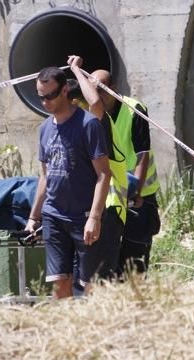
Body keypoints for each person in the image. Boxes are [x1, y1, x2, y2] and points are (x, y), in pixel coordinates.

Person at [25, 65, 111, 299]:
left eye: (50, 96)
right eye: (41, 97)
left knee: (88, 285)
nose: (45, 102)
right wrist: (34, 217)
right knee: (59, 282)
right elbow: (45, 176)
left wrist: (94, 218)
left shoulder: (88, 124)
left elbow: (104, 174)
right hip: (54, 216)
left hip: (82, 217)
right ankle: (63, 331)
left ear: (64, 91)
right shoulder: (44, 129)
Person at [91, 70, 161, 275]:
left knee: (135, 253)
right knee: (107, 257)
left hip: (138, 194)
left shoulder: (134, 110)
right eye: (92, 90)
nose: (96, 96)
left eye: (101, 90)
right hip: (111, 195)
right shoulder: (90, 112)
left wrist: (136, 192)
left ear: (112, 89)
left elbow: (142, 154)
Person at [66, 56, 128, 284]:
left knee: (98, 280)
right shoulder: (76, 126)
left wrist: (76, 70)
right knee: (82, 279)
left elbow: (95, 103)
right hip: (92, 209)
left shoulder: (93, 121)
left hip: (108, 208)